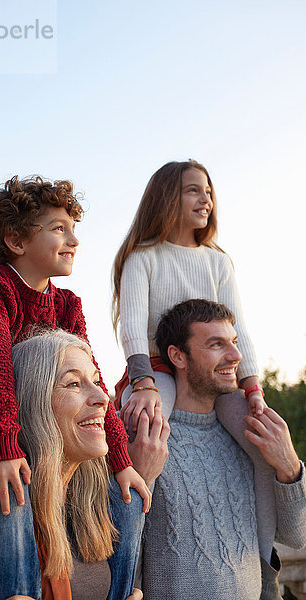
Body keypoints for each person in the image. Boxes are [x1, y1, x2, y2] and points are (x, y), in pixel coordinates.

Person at [0, 176, 150, 600]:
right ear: (16, 239)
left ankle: (122, 593)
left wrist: (121, 457)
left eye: (74, 228)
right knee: (12, 485)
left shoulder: (68, 304)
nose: (73, 239)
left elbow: (93, 380)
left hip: (47, 429)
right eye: (58, 228)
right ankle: (19, 594)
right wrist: (0, 448)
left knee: (124, 494)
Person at [0, 331, 160, 600]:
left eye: (96, 381)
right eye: (73, 383)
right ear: (30, 403)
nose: (102, 397)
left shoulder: (108, 508)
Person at [112, 159, 275, 561]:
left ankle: (265, 559)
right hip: (160, 369)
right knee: (144, 430)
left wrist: (252, 389)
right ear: (168, 197)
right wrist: (143, 383)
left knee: (265, 444)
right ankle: (126, 560)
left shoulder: (218, 261)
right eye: (193, 190)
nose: (206, 199)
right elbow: (131, 325)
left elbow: (241, 330)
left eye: (208, 191)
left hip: (218, 377)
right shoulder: (143, 256)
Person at [139, 299, 306, 600]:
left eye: (234, 342)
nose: (235, 356)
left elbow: (297, 535)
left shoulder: (250, 438)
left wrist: (289, 466)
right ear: (178, 356)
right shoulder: (148, 440)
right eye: (217, 344)